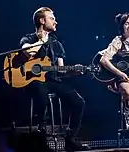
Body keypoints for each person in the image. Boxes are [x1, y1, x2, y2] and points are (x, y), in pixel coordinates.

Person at [15, 7, 89, 151]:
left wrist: (73, 72)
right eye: (52, 18)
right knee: (41, 92)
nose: (56, 22)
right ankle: (41, 135)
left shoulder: (56, 43)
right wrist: (42, 41)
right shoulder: (28, 38)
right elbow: (28, 52)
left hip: (53, 81)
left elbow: (61, 70)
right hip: (34, 81)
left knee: (78, 101)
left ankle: (70, 138)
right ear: (42, 21)